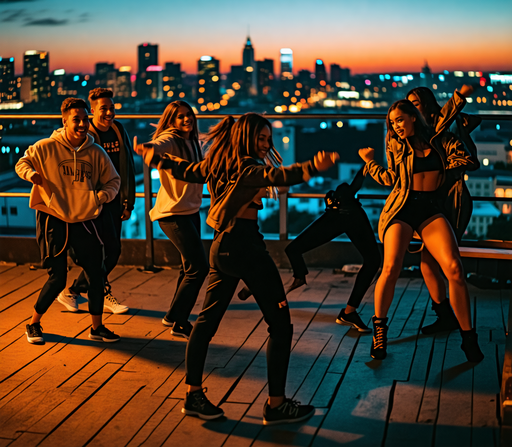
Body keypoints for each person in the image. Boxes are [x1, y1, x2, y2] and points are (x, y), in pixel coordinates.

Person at [135, 113, 339, 425]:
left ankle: (193, 394)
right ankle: (277, 405)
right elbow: (281, 177)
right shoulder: (249, 167)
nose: (266, 144)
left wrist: (155, 159)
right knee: (280, 325)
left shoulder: (218, 164)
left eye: (268, 139)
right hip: (246, 249)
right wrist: (313, 168)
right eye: (261, 138)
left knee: (205, 322)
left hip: (222, 248)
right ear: (245, 137)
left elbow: (186, 170)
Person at [359, 99, 483, 362]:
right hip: (402, 207)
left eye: (400, 120)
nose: (396, 126)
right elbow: (391, 179)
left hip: (430, 208)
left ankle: (468, 337)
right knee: (391, 267)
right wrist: (369, 163)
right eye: (392, 123)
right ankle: (379, 331)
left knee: (455, 269)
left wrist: (459, 103)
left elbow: (468, 161)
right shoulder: (395, 144)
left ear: (414, 117)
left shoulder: (442, 140)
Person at [15, 98, 121, 344]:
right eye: (77, 119)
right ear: (64, 121)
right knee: (58, 277)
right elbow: (23, 162)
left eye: (85, 119)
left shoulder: (95, 152)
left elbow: (113, 180)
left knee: (97, 273)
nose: (83, 124)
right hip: (54, 217)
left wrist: (101, 197)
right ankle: (33, 323)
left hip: (85, 217)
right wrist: (33, 176)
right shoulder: (45, 146)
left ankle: (97, 328)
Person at [238, 165, 380, 333]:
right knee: (373, 261)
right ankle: (348, 311)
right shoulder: (347, 205)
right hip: (346, 214)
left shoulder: (340, 205)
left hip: (339, 214)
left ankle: (345, 309)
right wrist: (367, 164)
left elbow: (356, 183)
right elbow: (356, 183)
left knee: (293, 250)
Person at [405, 86, 480, 334]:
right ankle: (445, 314)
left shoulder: (442, 129)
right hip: (431, 203)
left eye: (416, 103)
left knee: (448, 263)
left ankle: (456, 320)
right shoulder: (416, 134)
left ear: (426, 104)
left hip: (451, 200)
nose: (412, 108)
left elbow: (443, 123)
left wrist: (459, 96)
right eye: (409, 104)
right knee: (427, 263)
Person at [57, 88, 135, 315]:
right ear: (92, 111)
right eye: (104, 109)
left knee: (113, 251)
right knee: (104, 252)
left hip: (115, 199)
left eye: (112, 107)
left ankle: (74, 290)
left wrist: (128, 201)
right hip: (95, 203)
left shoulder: (119, 130)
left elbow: (127, 165)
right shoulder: (86, 133)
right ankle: (100, 292)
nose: (110, 112)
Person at [139, 100, 208, 338]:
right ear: (170, 121)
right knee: (199, 267)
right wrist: (148, 149)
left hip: (190, 211)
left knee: (189, 267)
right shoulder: (171, 138)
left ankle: (172, 316)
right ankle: (179, 320)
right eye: (180, 116)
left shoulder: (195, 142)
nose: (187, 119)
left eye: (189, 114)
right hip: (172, 215)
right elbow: (159, 144)